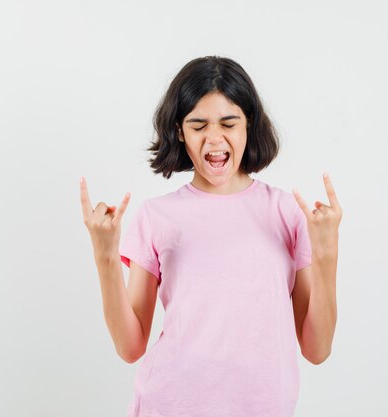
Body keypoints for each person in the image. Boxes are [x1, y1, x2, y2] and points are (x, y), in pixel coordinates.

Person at [80, 56, 342, 417]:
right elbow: (130, 347)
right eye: (198, 125)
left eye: (228, 123)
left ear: (248, 124)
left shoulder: (286, 213)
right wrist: (105, 257)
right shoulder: (157, 216)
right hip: (169, 405)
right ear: (179, 130)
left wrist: (327, 255)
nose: (214, 139)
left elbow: (317, 349)